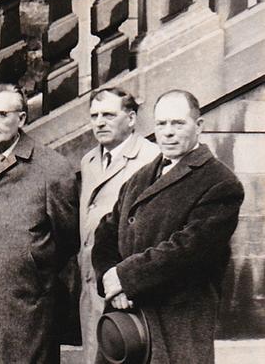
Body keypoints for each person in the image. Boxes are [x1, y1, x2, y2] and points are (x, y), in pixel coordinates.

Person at [93, 90, 244, 364]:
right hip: (127, 324)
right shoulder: (141, 177)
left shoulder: (220, 182)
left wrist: (126, 278)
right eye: (161, 124)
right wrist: (111, 280)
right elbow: (106, 232)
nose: (168, 133)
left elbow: (189, 250)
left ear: (199, 126)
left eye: (178, 123)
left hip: (176, 328)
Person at [0, 84, 78, 363]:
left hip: (27, 308)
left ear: (22, 118)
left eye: (1, 114)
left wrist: (31, 268)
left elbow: (67, 240)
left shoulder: (52, 168)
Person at [78, 88, 158, 363]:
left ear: (132, 118)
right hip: (91, 286)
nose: (100, 122)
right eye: (94, 116)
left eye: (109, 115)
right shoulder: (89, 160)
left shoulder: (151, 159)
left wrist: (127, 282)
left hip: (127, 289)